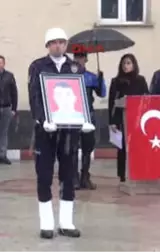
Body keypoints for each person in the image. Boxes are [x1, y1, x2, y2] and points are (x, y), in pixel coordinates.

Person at [28, 27, 95, 239]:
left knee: (68, 175)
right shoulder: (38, 66)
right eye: (54, 42)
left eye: (62, 42)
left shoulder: (74, 67)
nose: (58, 45)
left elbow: (81, 96)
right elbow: (34, 96)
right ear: (47, 45)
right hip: (46, 130)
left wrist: (85, 119)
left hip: (69, 131)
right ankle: (47, 223)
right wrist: (42, 119)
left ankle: (66, 222)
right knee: (44, 175)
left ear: (66, 45)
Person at [108, 53, 149, 182]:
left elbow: (146, 97)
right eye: (124, 63)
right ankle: (122, 175)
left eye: (128, 63)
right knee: (122, 148)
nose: (126, 66)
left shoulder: (140, 80)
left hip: (137, 119)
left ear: (134, 64)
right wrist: (112, 121)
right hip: (121, 118)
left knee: (137, 147)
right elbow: (111, 102)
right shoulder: (116, 81)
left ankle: (138, 172)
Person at [72, 52, 106, 190]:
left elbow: (102, 93)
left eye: (81, 56)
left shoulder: (91, 77)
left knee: (88, 147)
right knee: (72, 148)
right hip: (72, 116)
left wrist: (100, 80)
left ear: (86, 59)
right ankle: (73, 177)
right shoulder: (69, 75)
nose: (79, 59)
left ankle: (85, 176)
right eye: (76, 56)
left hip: (88, 116)